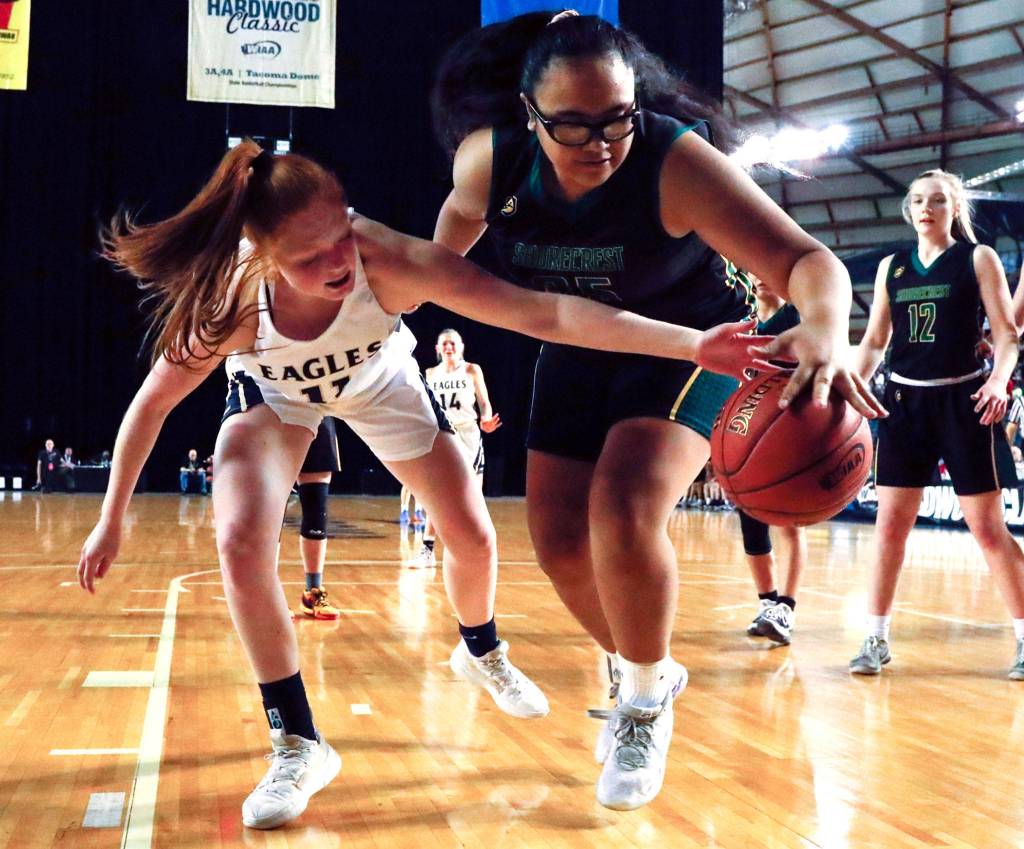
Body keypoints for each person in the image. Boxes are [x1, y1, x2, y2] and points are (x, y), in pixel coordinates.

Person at [77, 140, 767, 829]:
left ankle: (481, 650)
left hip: (382, 384)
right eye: (307, 258)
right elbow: (151, 404)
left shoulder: (390, 262)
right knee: (238, 541)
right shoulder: (232, 299)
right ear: (261, 254)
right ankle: (297, 740)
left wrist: (690, 344)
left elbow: (545, 314)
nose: (336, 264)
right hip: (278, 397)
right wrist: (112, 517)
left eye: (338, 239)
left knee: (473, 535)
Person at [431, 10, 883, 810]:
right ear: (530, 116)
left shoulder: (675, 163)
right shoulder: (488, 166)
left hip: (701, 337)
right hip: (582, 336)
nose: (602, 142)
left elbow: (809, 259)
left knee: (625, 504)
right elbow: (449, 246)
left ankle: (640, 702)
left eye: (618, 118)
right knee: (557, 541)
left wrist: (822, 327)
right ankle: (651, 667)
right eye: (574, 126)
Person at [848, 168, 1024, 679]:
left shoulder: (978, 258)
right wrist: (847, 390)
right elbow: (875, 341)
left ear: (955, 210)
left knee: (988, 531)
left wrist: (998, 383)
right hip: (903, 405)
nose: (927, 208)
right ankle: (875, 639)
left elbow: (1007, 336)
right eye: (919, 200)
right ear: (909, 209)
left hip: (965, 403)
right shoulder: (891, 267)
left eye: (939, 201)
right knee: (888, 530)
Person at [739, 273, 807, 645]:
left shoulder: (798, 318)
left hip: (787, 433)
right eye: (754, 270)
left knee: (788, 524)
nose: (762, 277)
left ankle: (787, 607)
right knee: (751, 528)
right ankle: (766, 603)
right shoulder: (741, 321)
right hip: (745, 437)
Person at [407, 328, 502, 567]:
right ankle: (427, 549)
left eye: (453, 343)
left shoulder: (471, 369)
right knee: (436, 494)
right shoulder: (429, 373)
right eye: (444, 344)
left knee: (473, 497)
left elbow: (484, 402)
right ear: (438, 349)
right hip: (443, 434)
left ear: (461, 347)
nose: (449, 347)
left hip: (468, 433)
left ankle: (479, 549)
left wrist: (486, 418)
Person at [293, 417, 342, 619]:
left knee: (316, 511)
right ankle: (268, 593)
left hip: (317, 410)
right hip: (269, 407)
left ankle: (312, 592)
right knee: (271, 511)